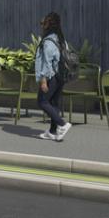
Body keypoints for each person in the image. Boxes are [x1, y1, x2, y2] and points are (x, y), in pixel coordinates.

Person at [35, 12, 71, 142]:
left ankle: (62, 124)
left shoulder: (48, 41)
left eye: (43, 23)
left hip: (51, 77)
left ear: (49, 25)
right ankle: (52, 131)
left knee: (42, 101)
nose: (42, 25)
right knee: (54, 103)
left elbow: (46, 62)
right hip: (61, 76)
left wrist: (43, 80)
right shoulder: (61, 40)